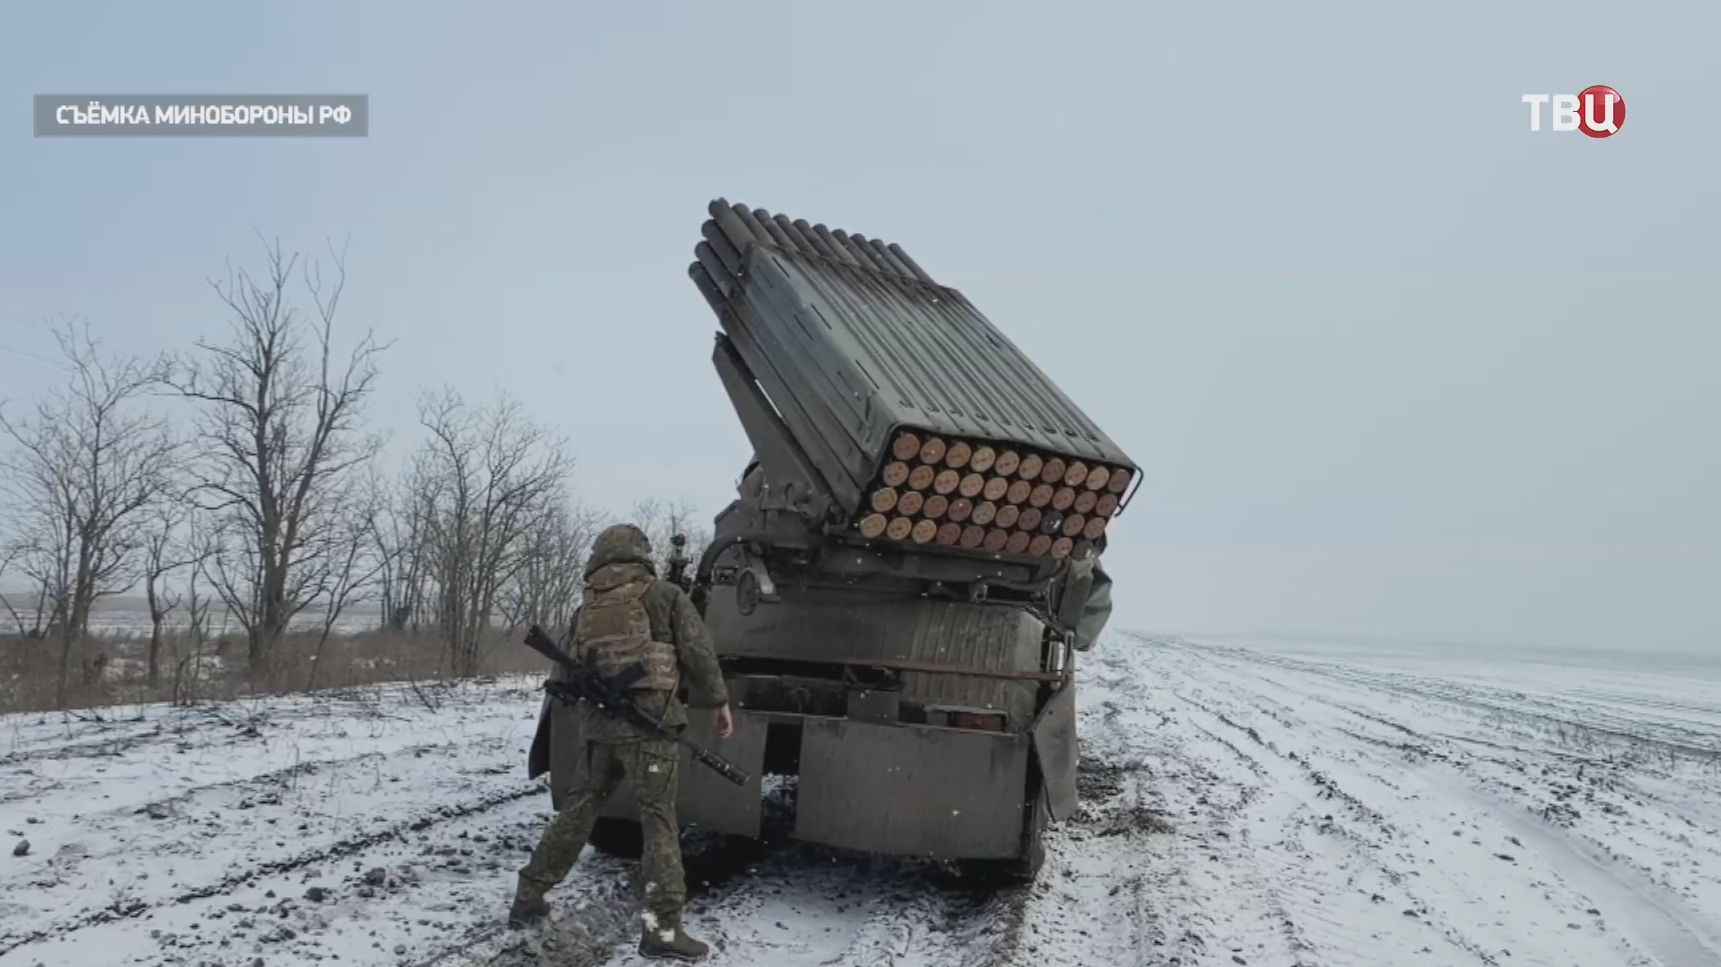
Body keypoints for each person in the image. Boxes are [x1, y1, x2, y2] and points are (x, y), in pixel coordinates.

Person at [511, 523, 734, 961]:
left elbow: (572, 669)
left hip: (599, 728)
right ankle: (663, 930)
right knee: (659, 824)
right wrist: (719, 701)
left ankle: (528, 895)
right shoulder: (664, 595)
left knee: (579, 811)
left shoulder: (588, 605)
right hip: (650, 730)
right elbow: (698, 652)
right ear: (641, 553)